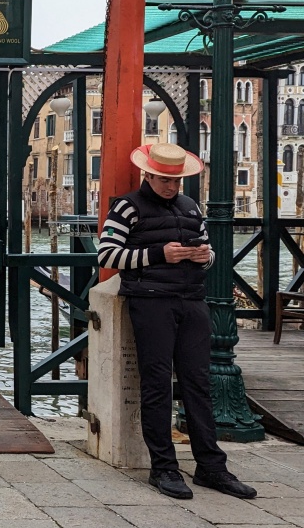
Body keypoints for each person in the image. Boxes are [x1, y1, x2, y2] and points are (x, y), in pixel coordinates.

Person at [97, 143, 256, 500]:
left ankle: (211, 467)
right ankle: (164, 468)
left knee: (198, 384)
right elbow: (107, 254)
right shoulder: (126, 207)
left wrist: (204, 256)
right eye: (166, 180)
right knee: (156, 385)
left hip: (192, 302)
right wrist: (160, 253)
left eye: (177, 180)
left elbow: (209, 254)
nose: (172, 186)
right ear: (148, 175)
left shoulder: (190, 206)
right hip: (150, 303)